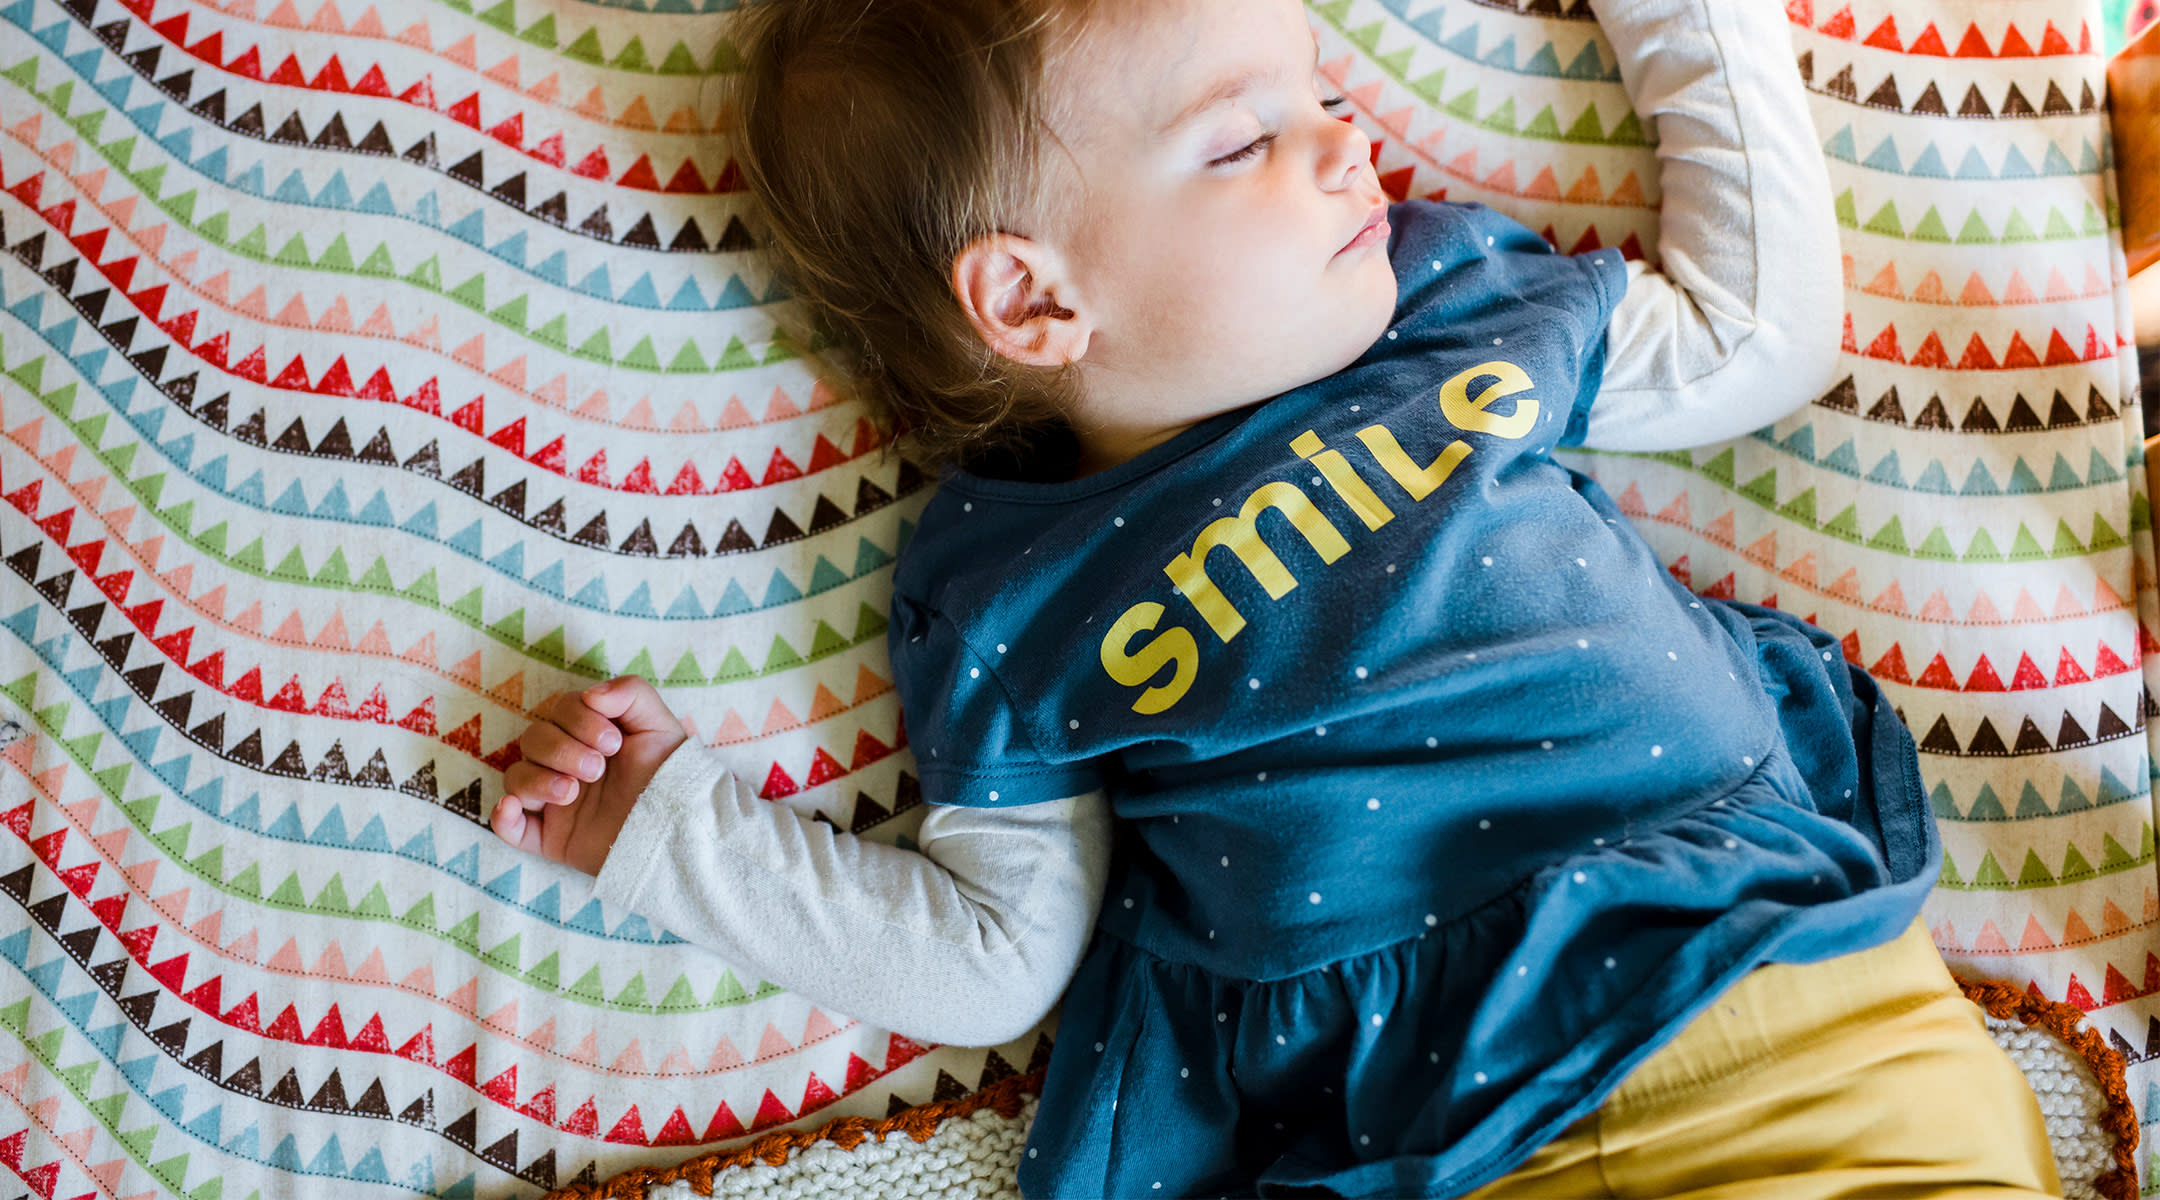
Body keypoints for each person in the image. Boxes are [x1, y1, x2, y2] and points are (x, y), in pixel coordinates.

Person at [489, 0, 2067, 1194]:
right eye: (1245, 140)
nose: (1346, 139)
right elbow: (995, 960)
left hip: (1796, 1006)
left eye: (1320, 87)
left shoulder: (1451, 309)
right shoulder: (1016, 580)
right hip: (1453, 1131)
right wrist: (676, 836)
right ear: (1034, 295)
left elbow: (1751, 340)